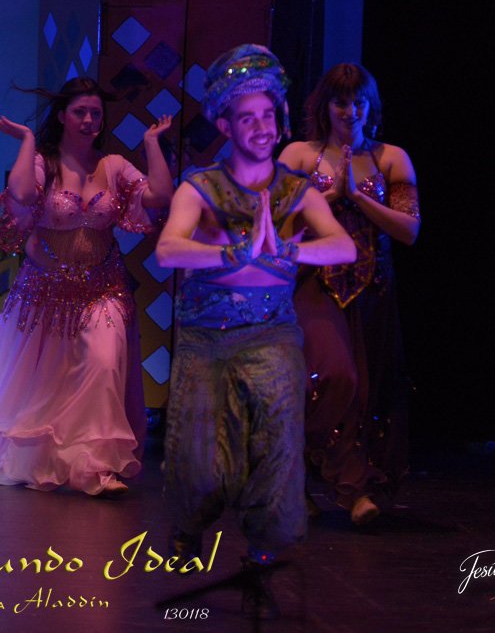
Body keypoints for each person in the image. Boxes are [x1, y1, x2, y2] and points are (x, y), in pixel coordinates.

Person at [156, 45, 355, 618]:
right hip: (206, 335)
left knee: (277, 440)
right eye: (247, 118)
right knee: (198, 451)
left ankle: (264, 548)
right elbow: (168, 250)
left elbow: (341, 245)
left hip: (271, 332)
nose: (262, 128)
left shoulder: (296, 191)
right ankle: (189, 529)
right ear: (225, 125)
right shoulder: (200, 188)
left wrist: (289, 251)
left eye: (268, 115)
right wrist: (231, 255)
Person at [0, 77, 173, 496]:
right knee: (47, 386)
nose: (89, 120)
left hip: (102, 287)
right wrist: (27, 141)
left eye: (96, 113)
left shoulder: (113, 165)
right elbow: (22, 193)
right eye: (80, 112)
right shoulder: (47, 163)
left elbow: (159, 196)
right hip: (47, 288)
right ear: (62, 116)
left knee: (103, 364)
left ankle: (96, 467)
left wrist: (152, 143)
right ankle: (51, 460)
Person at [277, 63, 420, 525]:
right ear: (325, 106)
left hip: (373, 287)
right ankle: (348, 488)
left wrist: (357, 197)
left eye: (359, 102)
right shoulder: (299, 156)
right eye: (341, 102)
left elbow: (409, 230)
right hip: (313, 284)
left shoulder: (391, 158)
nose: (350, 111)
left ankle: (316, 481)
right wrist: (328, 198)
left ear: (370, 107)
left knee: (368, 394)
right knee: (336, 376)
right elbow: (277, 225)